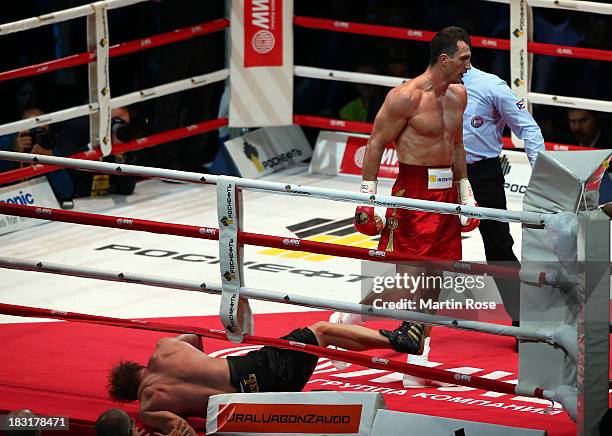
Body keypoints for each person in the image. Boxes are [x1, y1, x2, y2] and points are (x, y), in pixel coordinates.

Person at [333, 26, 477, 383]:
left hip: (446, 196)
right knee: (404, 281)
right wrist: (367, 199)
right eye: (464, 59)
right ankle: (346, 322)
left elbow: (457, 146)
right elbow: (376, 143)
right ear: (444, 60)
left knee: (436, 280)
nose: (468, 66)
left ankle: (416, 358)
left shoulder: (459, 95)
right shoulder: (405, 97)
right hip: (413, 193)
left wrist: (465, 191)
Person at [106, 321, 417, 435]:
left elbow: (182, 429)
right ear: (139, 366)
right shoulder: (164, 349)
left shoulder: (148, 407)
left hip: (255, 410)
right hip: (260, 369)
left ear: (133, 394)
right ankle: (397, 339)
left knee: (315, 349)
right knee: (321, 331)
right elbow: (196, 337)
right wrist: (196, 362)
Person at [462, 65, 545, 333]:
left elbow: (528, 129)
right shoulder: (428, 86)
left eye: (468, 57)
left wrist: (542, 178)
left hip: (482, 172)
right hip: (439, 173)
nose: (465, 63)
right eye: (460, 57)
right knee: (428, 245)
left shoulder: (490, 86)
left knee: (498, 246)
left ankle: (524, 320)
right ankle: (414, 323)